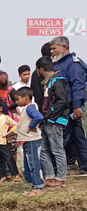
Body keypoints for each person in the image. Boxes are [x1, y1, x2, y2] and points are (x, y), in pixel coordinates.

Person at [51, 36, 87, 174]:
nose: (52, 51)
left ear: (64, 47)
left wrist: (78, 105)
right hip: (60, 106)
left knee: (61, 136)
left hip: (71, 107)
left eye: (54, 48)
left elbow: (78, 85)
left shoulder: (73, 64)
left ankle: (54, 167)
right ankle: (84, 164)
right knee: (77, 136)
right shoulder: (57, 64)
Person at [37, 56, 70, 188]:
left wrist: (51, 118)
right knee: (43, 150)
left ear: (40, 69)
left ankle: (61, 179)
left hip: (54, 121)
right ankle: (50, 177)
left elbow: (62, 101)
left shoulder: (57, 82)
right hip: (46, 121)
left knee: (57, 149)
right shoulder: (49, 82)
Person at [14, 87, 45, 196]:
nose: (16, 102)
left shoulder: (30, 108)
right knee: (27, 166)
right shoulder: (26, 108)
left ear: (26, 98)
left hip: (32, 141)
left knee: (34, 164)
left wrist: (31, 126)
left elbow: (39, 117)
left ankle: (38, 187)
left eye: (17, 99)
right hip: (27, 141)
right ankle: (33, 185)